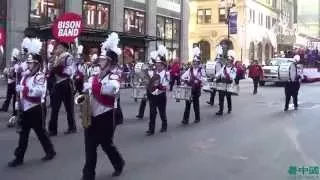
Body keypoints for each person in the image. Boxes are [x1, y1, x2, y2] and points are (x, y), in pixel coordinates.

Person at [81, 32, 125, 180]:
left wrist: (93, 86)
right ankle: (88, 176)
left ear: (110, 62)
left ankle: (119, 163)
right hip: (91, 115)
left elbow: (112, 89)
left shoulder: (113, 76)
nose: (99, 61)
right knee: (90, 148)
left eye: (103, 59)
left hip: (105, 116)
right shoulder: (94, 75)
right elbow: (88, 93)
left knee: (107, 145)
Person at [8, 40, 56, 167]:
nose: (28, 65)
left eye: (30, 63)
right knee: (23, 135)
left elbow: (39, 92)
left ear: (37, 64)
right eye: (28, 63)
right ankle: (19, 158)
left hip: (36, 109)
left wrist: (24, 89)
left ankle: (50, 151)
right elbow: (15, 79)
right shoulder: (25, 76)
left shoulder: (40, 77)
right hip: (25, 109)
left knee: (41, 133)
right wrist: (19, 102)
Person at [48, 42, 77, 136]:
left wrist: (58, 69)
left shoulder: (68, 57)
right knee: (54, 108)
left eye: (59, 47)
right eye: (57, 47)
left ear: (64, 48)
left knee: (69, 107)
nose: (57, 49)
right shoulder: (56, 57)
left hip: (65, 83)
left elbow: (71, 70)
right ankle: (53, 129)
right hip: (57, 83)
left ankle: (72, 127)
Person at [146, 45, 170, 136]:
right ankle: (151, 129)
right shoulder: (153, 72)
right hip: (153, 95)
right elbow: (148, 81)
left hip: (161, 95)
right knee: (152, 112)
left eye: (159, 64)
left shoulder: (166, 74)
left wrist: (159, 86)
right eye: (157, 64)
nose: (157, 65)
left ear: (163, 65)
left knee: (162, 112)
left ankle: (164, 126)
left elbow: (166, 85)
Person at [181, 47, 205, 124]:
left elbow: (204, 79)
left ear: (199, 63)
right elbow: (183, 77)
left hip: (196, 90)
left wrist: (199, 80)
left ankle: (197, 118)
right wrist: (186, 80)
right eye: (194, 62)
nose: (194, 63)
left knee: (196, 104)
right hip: (189, 89)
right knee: (187, 105)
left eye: (196, 62)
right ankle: (185, 119)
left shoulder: (201, 70)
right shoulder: (189, 69)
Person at [136, 51, 157, 119]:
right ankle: (140, 114)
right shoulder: (146, 71)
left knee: (153, 102)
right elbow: (143, 78)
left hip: (153, 88)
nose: (150, 65)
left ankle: (153, 113)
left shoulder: (155, 71)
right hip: (147, 87)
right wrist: (141, 82)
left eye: (151, 64)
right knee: (143, 101)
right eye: (149, 64)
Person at [215, 51, 237, 116]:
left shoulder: (233, 68)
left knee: (228, 97)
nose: (228, 62)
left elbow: (233, 75)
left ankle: (229, 108)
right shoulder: (223, 67)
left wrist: (231, 77)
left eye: (230, 61)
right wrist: (216, 76)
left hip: (229, 83)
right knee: (221, 97)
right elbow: (219, 73)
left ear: (231, 62)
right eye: (227, 61)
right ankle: (220, 110)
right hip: (222, 83)